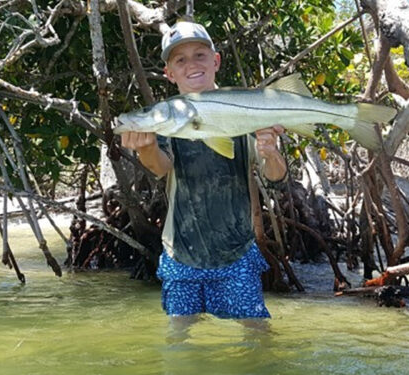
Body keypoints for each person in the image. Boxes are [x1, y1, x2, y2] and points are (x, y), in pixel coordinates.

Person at [120, 21, 287, 338]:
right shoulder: (168, 117)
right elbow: (160, 167)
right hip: (181, 254)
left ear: (216, 61)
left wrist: (271, 154)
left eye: (199, 54)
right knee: (178, 339)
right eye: (180, 60)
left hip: (236, 252)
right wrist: (147, 146)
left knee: (257, 334)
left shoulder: (243, 109)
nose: (191, 65)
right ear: (169, 73)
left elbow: (275, 178)